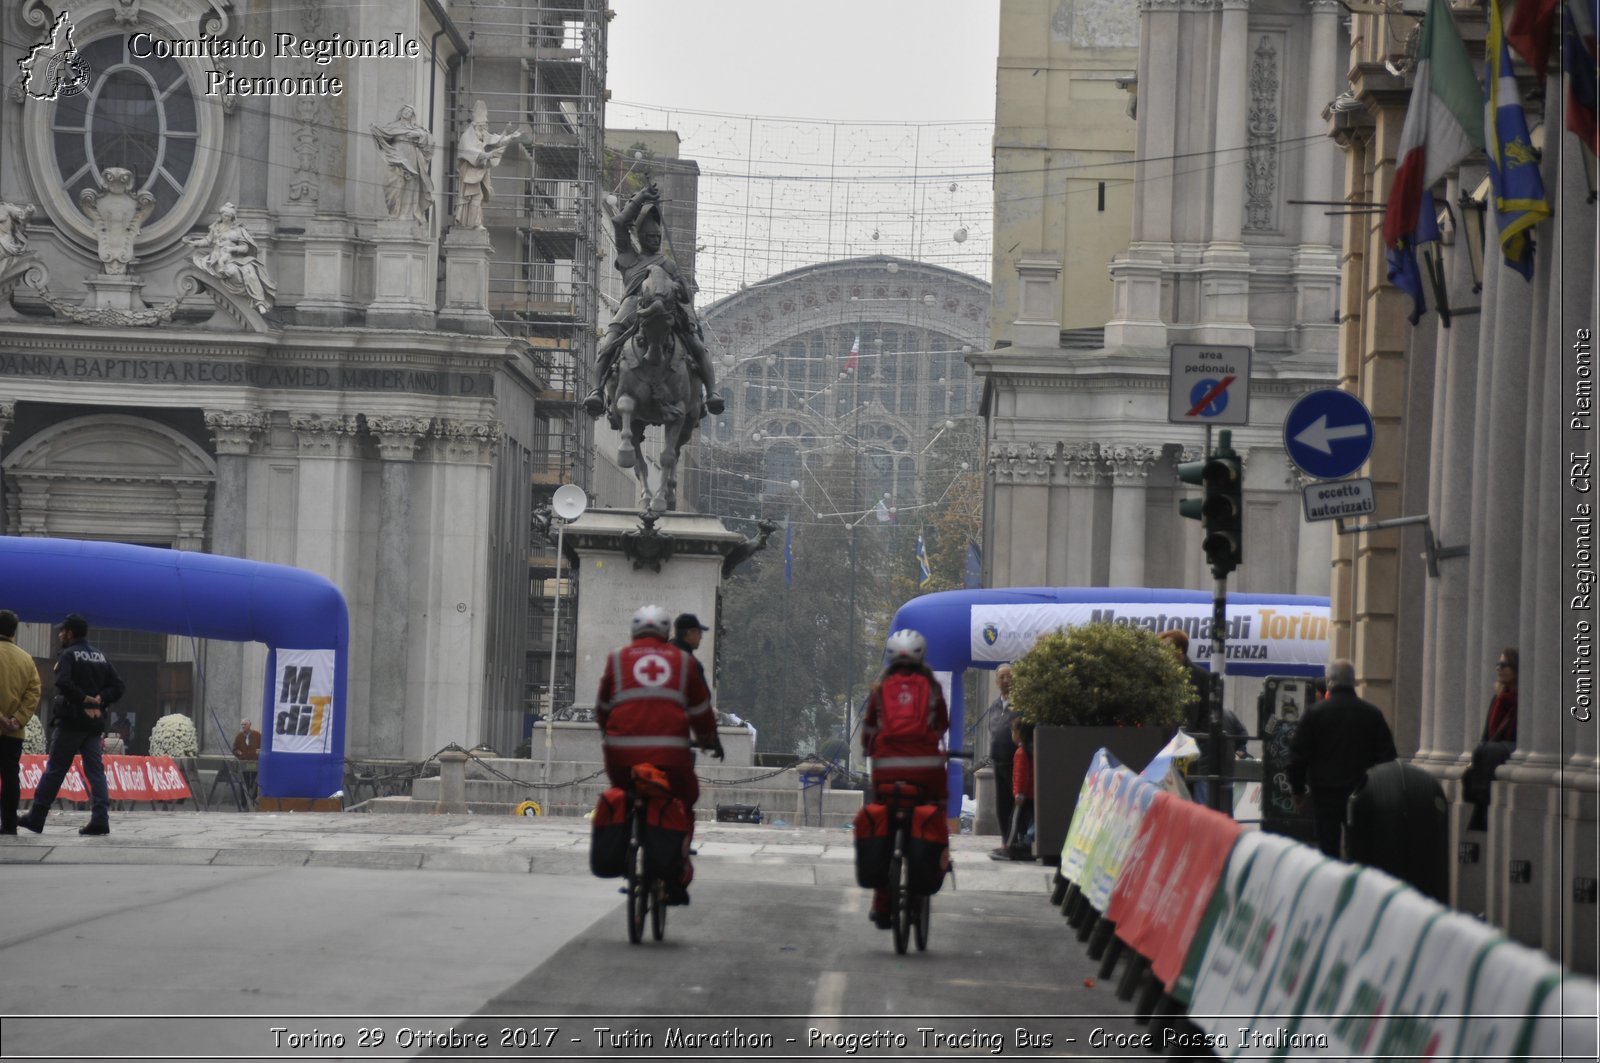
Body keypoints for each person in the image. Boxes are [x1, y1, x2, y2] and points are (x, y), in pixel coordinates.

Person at [594, 604, 723, 905]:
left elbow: (602, 708)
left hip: (621, 756)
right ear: (667, 632)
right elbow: (700, 711)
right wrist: (707, 740)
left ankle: (625, 844)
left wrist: (609, 734)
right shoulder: (683, 662)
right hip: (670, 756)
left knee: (623, 792)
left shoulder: (615, 660)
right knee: (684, 798)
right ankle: (676, 870)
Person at [583, 181, 722, 422]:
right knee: (609, 344)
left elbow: (686, 295)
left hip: (669, 307)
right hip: (633, 306)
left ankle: (710, 392)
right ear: (641, 237)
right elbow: (619, 223)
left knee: (696, 345)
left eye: (658, 237)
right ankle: (597, 391)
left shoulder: (669, 264)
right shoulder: (629, 258)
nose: (655, 240)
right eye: (650, 237)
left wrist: (674, 287)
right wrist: (641, 199)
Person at [860, 628, 950, 928]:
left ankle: (882, 903)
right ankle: (940, 859)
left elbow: (870, 729)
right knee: (936, 807)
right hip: (926, 770)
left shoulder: (879, 689)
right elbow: (942, 726)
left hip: (886, 770)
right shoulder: (932, 687)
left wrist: (870, 748)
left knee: (883, 825)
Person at [20, 613, 125, 836]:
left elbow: (62, 682)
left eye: (62, 631)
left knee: (56, 770)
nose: (60, 634)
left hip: (70, 722)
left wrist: (83, 698)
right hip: (94, 725)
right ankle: (100, 818)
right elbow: (118, 686)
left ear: (70, 633)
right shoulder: (100, 656)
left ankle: (37, 816)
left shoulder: (68, 655)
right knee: (96, 772)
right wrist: (100, 698)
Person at [1286, 659, 1397, 858]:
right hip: (1364, 793)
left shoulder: (1315, 714)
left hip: (1325, 793)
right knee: (1361, 848)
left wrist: (1298, 789)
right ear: (1354, 682)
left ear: (1329, 682)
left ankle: (1332, 885)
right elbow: (1387, 757)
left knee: (1328, 847)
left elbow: (1297, 755)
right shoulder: (1372, 715)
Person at [1462, 648, 1518, 831]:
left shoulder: (1521, 700)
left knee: (1489, 753)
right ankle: (1480, 808)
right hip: (1493, 754)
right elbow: (1487, 734)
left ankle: (1480, 813)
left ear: (1516, 668)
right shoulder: (1498, 699)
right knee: (1483, 752)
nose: (1499, 669)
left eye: (1505, 665)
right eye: (1498, 665)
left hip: (1511, 751)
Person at [183, 203, 276, 313]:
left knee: (250, 271)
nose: (224, 217)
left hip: (235, 257)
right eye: (223, 215)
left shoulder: (238, 230)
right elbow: (208, 241)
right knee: (232, 272)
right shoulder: (216, 227)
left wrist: (233, 249)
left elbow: (245, 248)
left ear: (232, 216)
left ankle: (259, 302)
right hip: (217, 258)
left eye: (227, 215)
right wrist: (194, 243)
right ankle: (244, 295)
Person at [0, 609, 42, 836]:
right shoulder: (26, 659)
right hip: (14, 733)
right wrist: (17, 720)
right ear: (14, 631)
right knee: (10, 778)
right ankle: (8, 824)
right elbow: (34, 693)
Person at [453, 99, 519, 229]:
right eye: (482, 128)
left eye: (484, 128)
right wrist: (486, 155)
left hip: (480, 171)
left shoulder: (481, 134)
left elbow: (496, 140)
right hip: (470, 173)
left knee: (478, 197)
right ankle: (473, 224)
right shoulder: (467, 136)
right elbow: (468, 152)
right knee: (474, 196)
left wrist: (511, 136)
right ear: (476, 126)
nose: (484, 131)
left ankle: (474, 223)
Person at [369, 104, 435, 225]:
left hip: (412, 155)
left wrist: (418, 135)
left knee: (411, 185)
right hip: (396, 154)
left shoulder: (417, 129)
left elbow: (429, 141)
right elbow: (382, 134)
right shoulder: (393, 126)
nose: (407, 112)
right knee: (393, 183)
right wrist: (375, 129)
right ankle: (394, 212)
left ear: (412, 115)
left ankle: (406, 214)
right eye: (405, 110)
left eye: (410, 111)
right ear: (401, 112)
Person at [984, 662, 1019, 841]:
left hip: (1016, 762)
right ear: (997, 681)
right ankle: (1006, 841)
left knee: (1017, 804)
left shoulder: (1021, 703)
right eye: (1002, 677)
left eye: (1009, 677)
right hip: (998, 761)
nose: (1006, 680)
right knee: (1002, 804)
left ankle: (1017, 841)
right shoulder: (995, 706)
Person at [991, 718, 1035, 861]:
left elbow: (1019, 776)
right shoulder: (1030, 751)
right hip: (1030, 795)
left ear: (1018, 734)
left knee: (1013, 821)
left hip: (1022, 796)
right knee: (1026, 822)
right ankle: (1022, 846)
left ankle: (1008, 847)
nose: (1011, 735)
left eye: (1012, 732)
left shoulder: (1020, 753)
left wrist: (1018, 793)